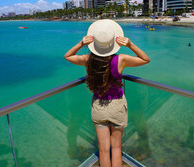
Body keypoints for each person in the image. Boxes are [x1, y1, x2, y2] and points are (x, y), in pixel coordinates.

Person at [64, 19, 150, 167]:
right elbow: (145, 59)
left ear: (94, 42)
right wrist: (130, 44)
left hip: (99, 106)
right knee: (116, 148)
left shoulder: (88, 60)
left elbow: (68, 56)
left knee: (104, 150)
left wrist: (81, 43)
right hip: (117, 107)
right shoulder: (121, 60)